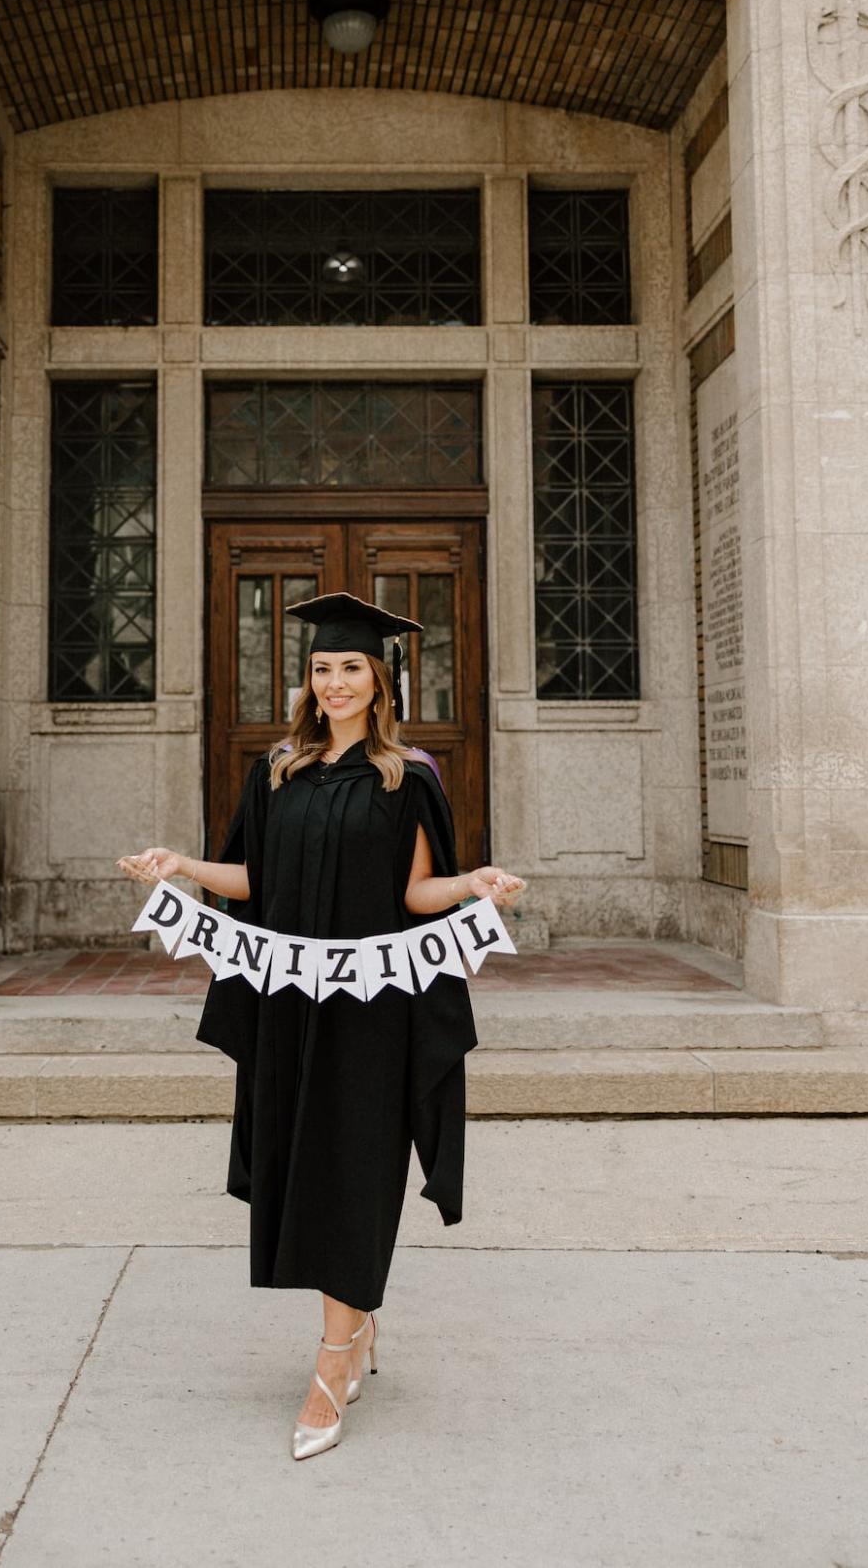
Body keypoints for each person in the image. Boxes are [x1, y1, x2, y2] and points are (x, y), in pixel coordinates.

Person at [117, 590, 525, 1459]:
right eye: (322, 668)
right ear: (308, 681)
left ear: (380, 681)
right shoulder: (279, 770)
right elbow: (252, 882)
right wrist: (177, 863)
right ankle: (358, 1327)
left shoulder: (406, 776)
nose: (335, 682)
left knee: (353, 1168)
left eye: (351, 668)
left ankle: (334, 1356)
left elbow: (417, 892)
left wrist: (474, 884)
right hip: (290, 1001)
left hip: (371, 1007)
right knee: (303, 1164)